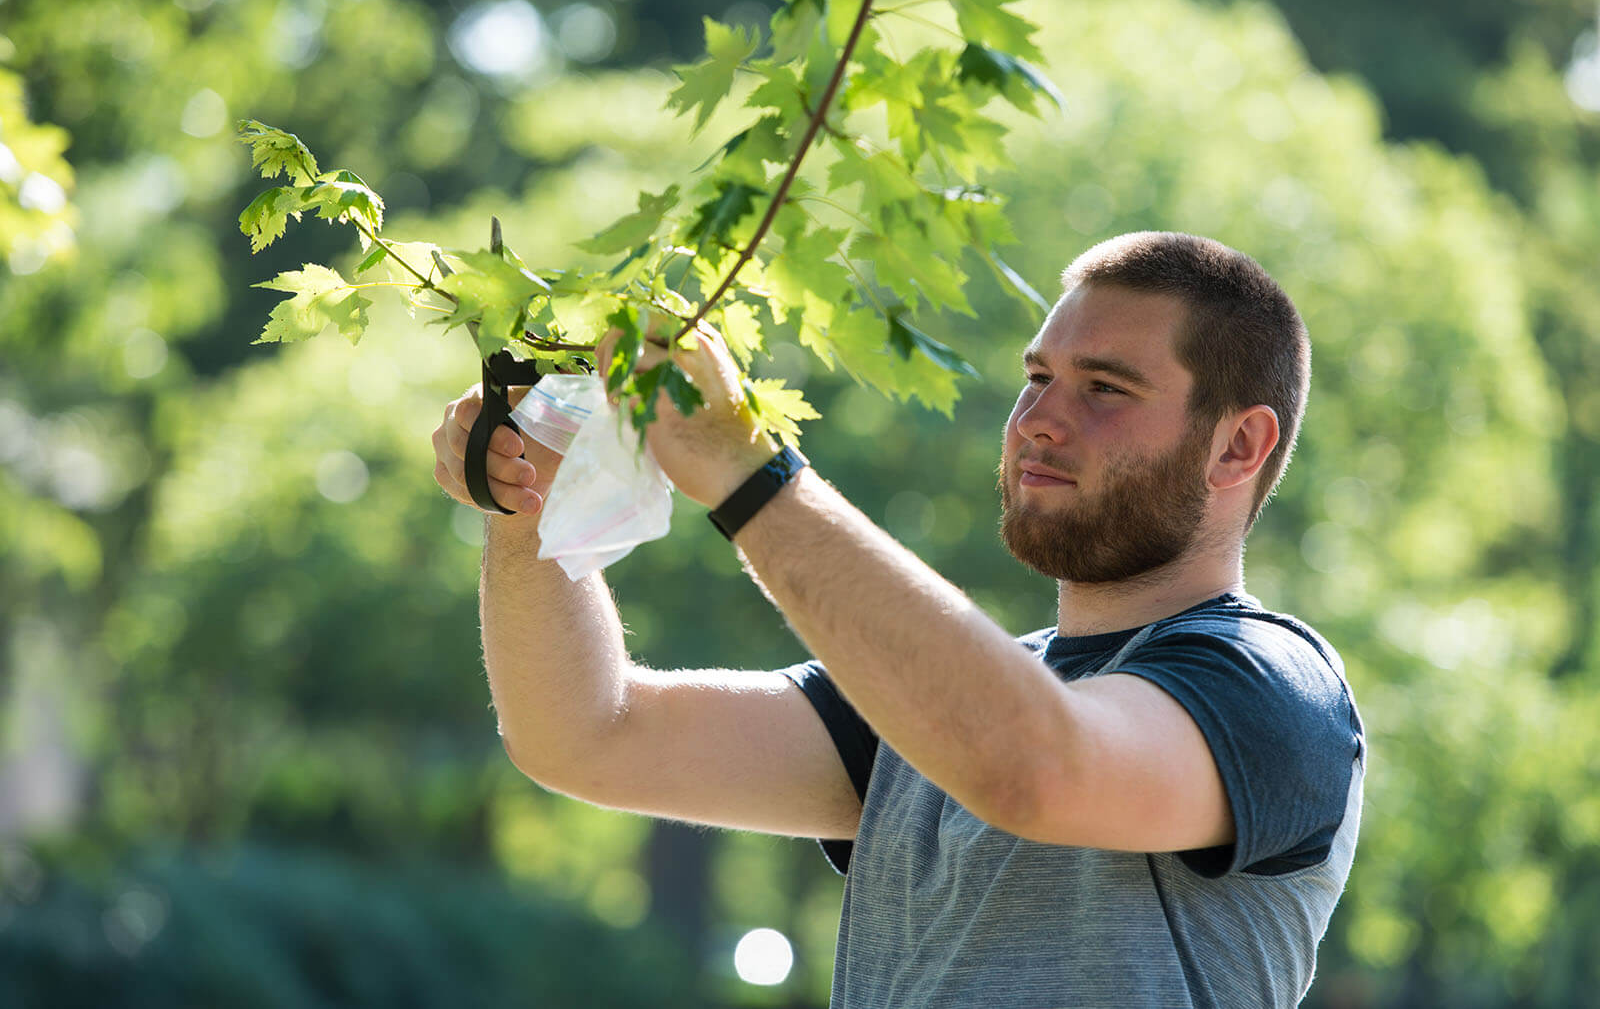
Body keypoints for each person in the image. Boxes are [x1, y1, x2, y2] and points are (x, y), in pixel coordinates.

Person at [429, 231, 1365, 1008]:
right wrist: (528, 513)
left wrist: (750, 474)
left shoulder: (1271, 686)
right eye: (1037, 376)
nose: (1039, 418)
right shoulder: (931, 705)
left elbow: (1034, 772)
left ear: (1238, 444)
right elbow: (587, 736)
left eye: (1105, 388)